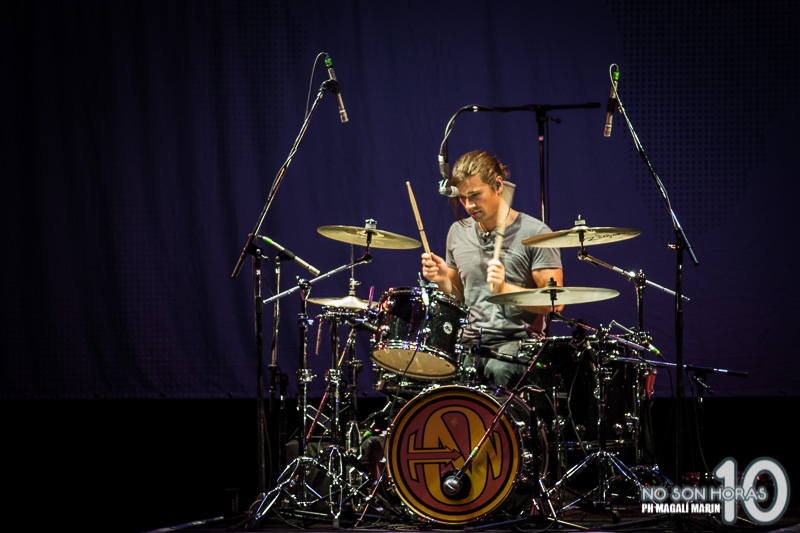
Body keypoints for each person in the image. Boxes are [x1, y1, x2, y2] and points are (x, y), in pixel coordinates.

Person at [421, 150, 564, 387]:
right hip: (470, 343)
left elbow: (555, 304)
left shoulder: (536, 233)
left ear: (498, 185)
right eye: (463, 198)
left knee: (497, 372)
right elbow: (460, 298)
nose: (469, 205)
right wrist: (443, 280)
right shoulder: (457, 232)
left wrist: (505, 290)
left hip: (517, 344)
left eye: (475, 195)